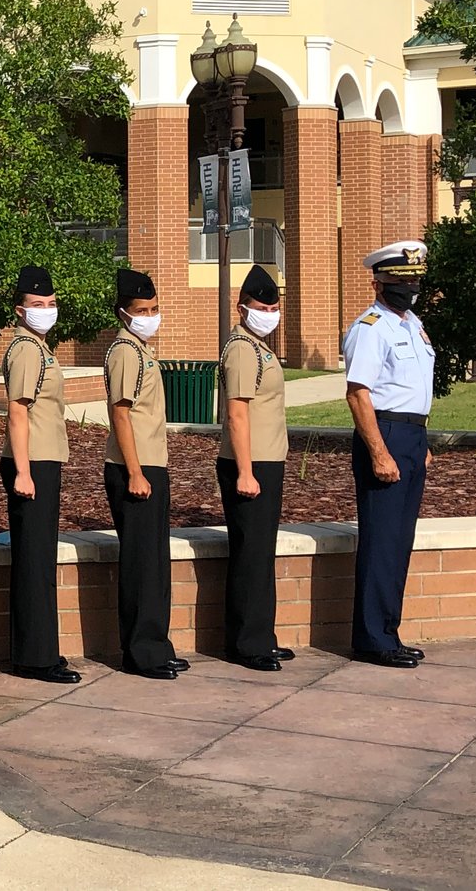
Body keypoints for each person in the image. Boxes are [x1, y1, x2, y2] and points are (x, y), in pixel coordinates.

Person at [344, 240, 435, 669]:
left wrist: (422, 442)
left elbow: (413, 390)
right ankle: (371, 638)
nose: (410, 287)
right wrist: (379, 451)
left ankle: (388, 631)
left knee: (399, 542)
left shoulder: (411, 323)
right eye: (401, 280)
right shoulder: (371, 326)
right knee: (381, 541)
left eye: (414, 280)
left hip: (412, 435)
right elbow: (359, 394)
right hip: (385, 434)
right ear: (378, 281)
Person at [103, 268, 184, 680]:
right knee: (140, 564)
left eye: (154, 308)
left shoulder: (142, 350)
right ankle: (140, 652)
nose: (151, 316)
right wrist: (135, 472)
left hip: (154, 463)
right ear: (124, 313)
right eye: (142, 310)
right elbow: (120, 413)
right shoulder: (125, 352)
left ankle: (157, 644)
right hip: (134, 468)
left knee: (155, 561)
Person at [0, 265, 80, 685]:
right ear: (20, 310)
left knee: (41, 558)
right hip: (30, 464)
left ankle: (43, 650)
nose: (45, 310)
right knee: (33, 562)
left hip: (45, 460)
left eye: (50, 304)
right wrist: (23, 471)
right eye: (37, 305)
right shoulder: (27, 350)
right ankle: (33, 657)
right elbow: (17, 411)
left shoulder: (41, 348)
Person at [217, 265, 292, 673]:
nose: (269, 311)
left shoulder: (258, 346)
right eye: (262, 305)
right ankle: (247, 644)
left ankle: (262, 635)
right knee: (250, 554)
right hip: (249, 464)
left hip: (266, 460)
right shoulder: (243, 348)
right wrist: (246, 471)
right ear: (243, 307)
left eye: (274, 305)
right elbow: (237, 415)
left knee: (261, 553)